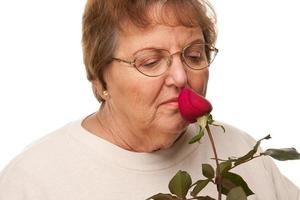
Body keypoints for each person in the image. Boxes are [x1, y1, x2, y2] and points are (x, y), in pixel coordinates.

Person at [0, 0, 299, 199]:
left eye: (194, 55)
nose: (181, 77)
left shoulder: (242, 151)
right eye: (151, 61)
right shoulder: (33, 182)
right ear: (101, 77)